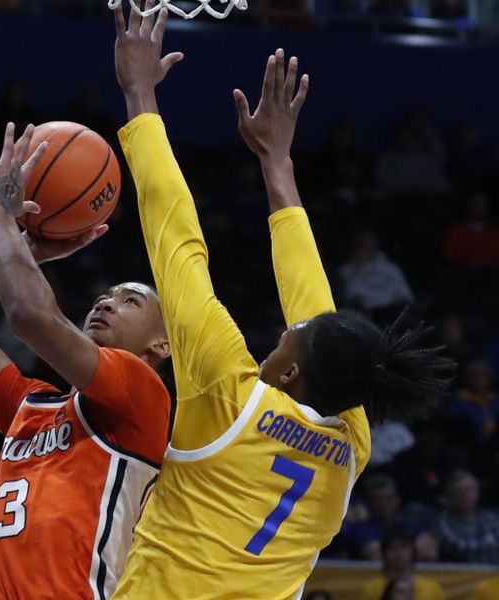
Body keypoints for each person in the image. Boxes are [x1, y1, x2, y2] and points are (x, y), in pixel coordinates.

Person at [111, 4, 454, 598]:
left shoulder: (229, 394)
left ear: (291, 370)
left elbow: (176, 237)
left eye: (279, 346)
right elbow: (310, 310)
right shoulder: (350, 442)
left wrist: (140, 95)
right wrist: (275, 164)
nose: (271, 347)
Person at [0, 125, 172, 597]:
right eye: (104, 294)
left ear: (162, 345)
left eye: (130, 301)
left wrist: (0, 218)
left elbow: (30, 317)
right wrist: (27, 250)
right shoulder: (30, 407)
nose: (106, 301)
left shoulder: (142, 396)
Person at [432, 469, 499, 563]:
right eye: (459, 491)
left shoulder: (492, 519)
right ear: (449, 495)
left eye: (469, 489)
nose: (465, 495)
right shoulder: (440, 524)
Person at [360, 529, 444, 600]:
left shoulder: (432, 588)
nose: (399, 554)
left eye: (404, 547)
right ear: (384, 554)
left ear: (413, 551)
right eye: (393, 548)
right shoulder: (372, 589)